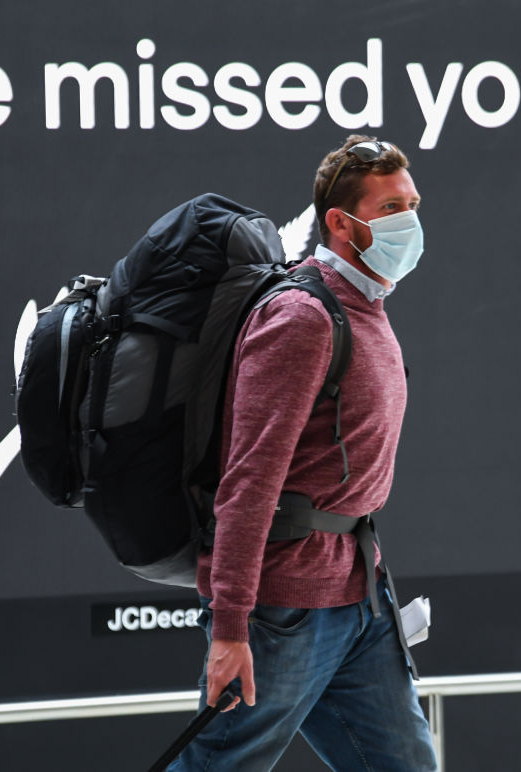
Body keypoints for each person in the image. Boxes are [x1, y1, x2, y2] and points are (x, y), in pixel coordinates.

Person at [168, 135, 438, 771]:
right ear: (342, 224)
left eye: (414, 203)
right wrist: (231, 629)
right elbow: (249, 480)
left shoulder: (367, 306)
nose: (412, 221)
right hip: (285, 610)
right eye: (393, 208)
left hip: (360, 598)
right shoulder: (302, 317)